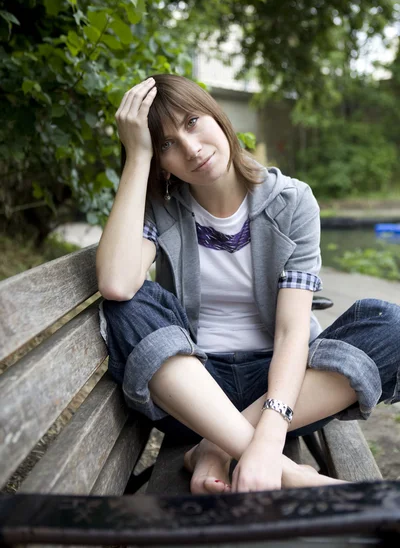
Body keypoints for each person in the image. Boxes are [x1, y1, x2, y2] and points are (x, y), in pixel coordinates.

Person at [96, 74, 400, 495]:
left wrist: (270, 432)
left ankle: (215, 447)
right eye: (165, 144)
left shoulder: (291, 201)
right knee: (128, 302)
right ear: (159, 160)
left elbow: (292, 330)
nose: (191, 149)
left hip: (283, 387)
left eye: (192, 122)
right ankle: (286, 471)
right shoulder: (160, 209)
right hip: (191, 386)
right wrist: (136, 157)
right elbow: (115, 283)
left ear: (218, 116)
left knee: (390, 322)